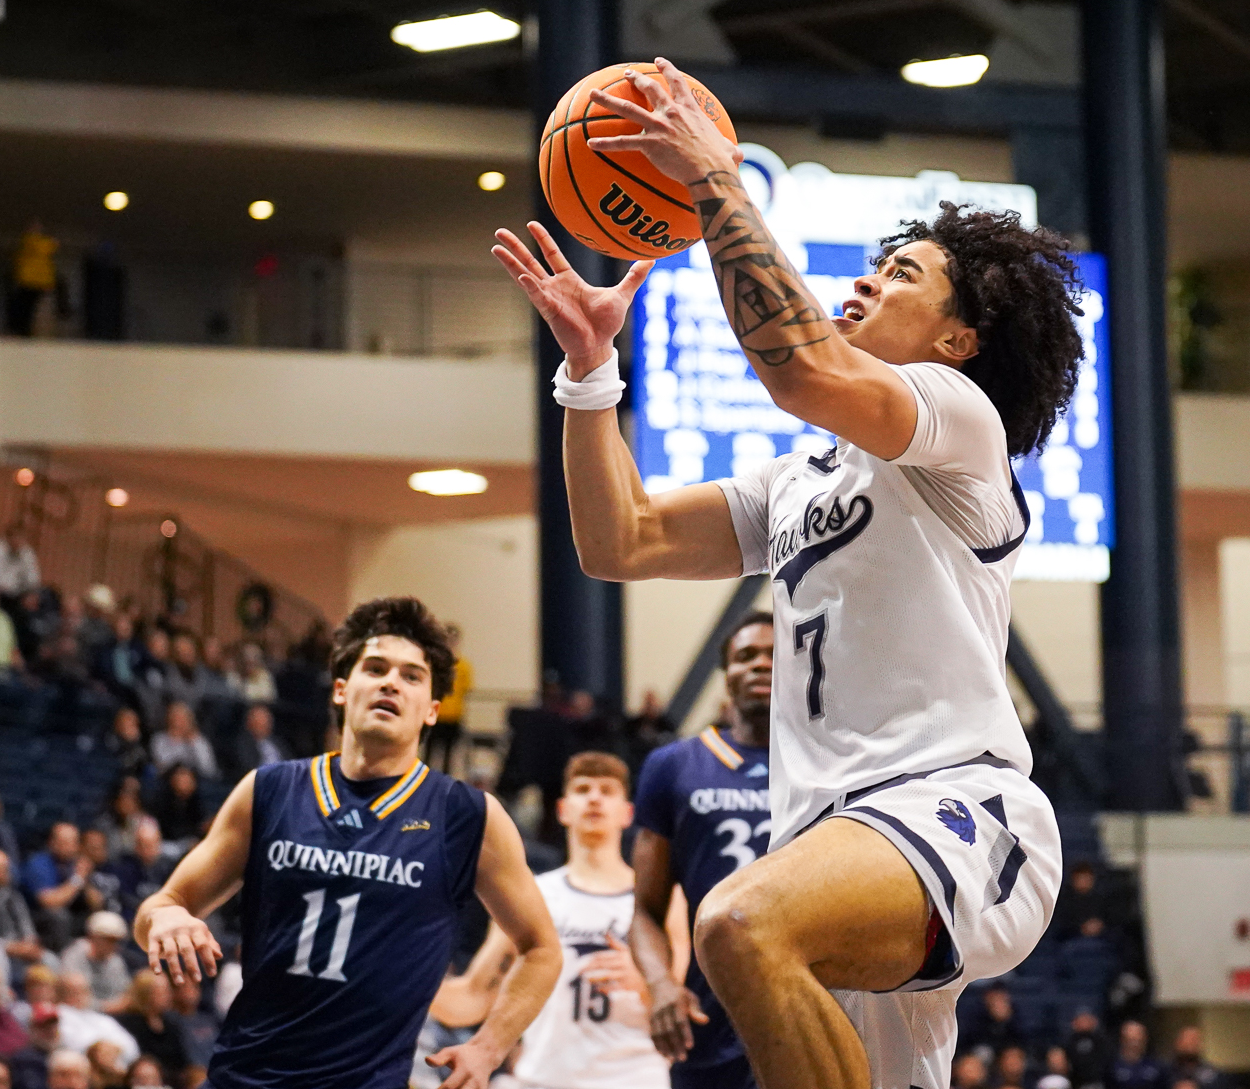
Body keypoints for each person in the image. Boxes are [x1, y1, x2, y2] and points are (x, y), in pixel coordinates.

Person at [496, 56, 1083, 1089]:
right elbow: (618, 539)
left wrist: (717, 176)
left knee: (736, 921)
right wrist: (590, 377)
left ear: (960, 336)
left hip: (956, 806)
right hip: (833, 839)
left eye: (904, 275)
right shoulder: (798, 478)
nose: (868, 278)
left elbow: (800, 366)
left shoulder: (961, 421)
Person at [134, 597, 562, 1089]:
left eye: (411, 676)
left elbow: (543, 950)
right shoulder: (268, 791)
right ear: (341, 689)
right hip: (242, 1077)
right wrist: (165, 915)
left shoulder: (468, 816)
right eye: (375, 668)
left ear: (432, 710)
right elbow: (159, 908)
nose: (390, 683)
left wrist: (489, 1048)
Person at [432, 753, 668, 1089]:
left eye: (607, 790)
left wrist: (647, 986)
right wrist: (408, 987)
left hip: (634, 1078)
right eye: (583, 789)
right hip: (544, 1079)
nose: (595, 798)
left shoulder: (656, 899)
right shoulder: (530, 897)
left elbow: (686, 1008)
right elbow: (475, 995)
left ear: (627, 813)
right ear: (562, 809)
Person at [629, 610, 773, 1089]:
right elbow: (644, 910)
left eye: (775, 655)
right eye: (746, 656)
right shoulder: (673, 766)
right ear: (726, 675)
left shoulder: (835, 766)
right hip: (709, 1008)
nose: (760, 665)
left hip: (813, 998)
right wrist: (660, 983)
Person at [22, 825, 94, 952]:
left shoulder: (78, 864)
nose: (71, 847)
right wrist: (77, 879)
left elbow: (96, 903)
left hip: (73, 915)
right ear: (52, 843)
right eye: (65, 842)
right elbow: (49, 902)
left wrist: (85, 881)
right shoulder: (39, 863)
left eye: (74, 842)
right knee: (59, 916)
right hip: (38, 917)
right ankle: (61, 960)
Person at [112, 972, 185, 1087]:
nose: (169, 995)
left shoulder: (171, 1023)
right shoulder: (127, 1023)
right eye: (163, 991)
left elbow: (180, 1061)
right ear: (146, 994)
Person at [54, 975, 137, 1066]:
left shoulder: (101, 1018)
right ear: (61, 994)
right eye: (73, 991)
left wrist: (115, 1048)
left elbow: (131, 1047)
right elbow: (72, 1043)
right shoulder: (60, 1014)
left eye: (84, 990)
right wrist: (102, 1047)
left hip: (115, 1067)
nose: (80, 995)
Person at [58, 914, 131, 1013]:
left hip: (109, 1017)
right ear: (93, 936)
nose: (114, 945)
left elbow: (124, 994)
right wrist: (106, 1007)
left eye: (116, 941)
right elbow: (74, 998)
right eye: (109, 940)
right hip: (79, 1015)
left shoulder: (115, 961)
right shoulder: (74, 955)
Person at [423, 627, 472, 771]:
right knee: (430, 753)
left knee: (448, 756)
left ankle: (444, 786)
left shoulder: (464, 666)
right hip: (436, 715)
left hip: (454, 716)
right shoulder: (435, 664)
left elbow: (466, 690)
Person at [147, 707, 215, 784]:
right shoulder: (159, 739)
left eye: (182, 719)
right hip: (168, 778)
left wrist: (194, 743)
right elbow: (161, 763)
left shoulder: (198, 740)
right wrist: (176, 741)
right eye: (176, 719)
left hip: (195, 779)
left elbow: (208, 768)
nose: (179, 723)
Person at [144, 769, 203, 846]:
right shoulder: (163, 800)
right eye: (182, 781)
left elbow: (198, 825)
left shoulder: (196, 800)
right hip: (165, 842)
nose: (185, 784)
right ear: (173, 781)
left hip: (188, 841)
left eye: (188, 781)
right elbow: (165, 828)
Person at [0, 529, 42, 603]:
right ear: (7, 538)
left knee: (44, 596)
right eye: (15, 538)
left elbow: (34, 580)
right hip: (0, 592)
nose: (18, 542)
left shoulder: (27, 553)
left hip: (20, 593)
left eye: (21, 539)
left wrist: (31, 594)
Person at [227, 707, 282, 779]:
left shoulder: (277, 743)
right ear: (249, 723)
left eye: (268, 721)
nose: (267, 724)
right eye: (261, 721)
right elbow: (248, 768)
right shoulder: (244, 745)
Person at [1108, 1019, 1161, 1087]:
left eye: (1138, 1040)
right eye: (1130, 1040)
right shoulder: (1111, 1067)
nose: (1134, 1045)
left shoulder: (1156, 1067)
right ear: (1122, 1040)